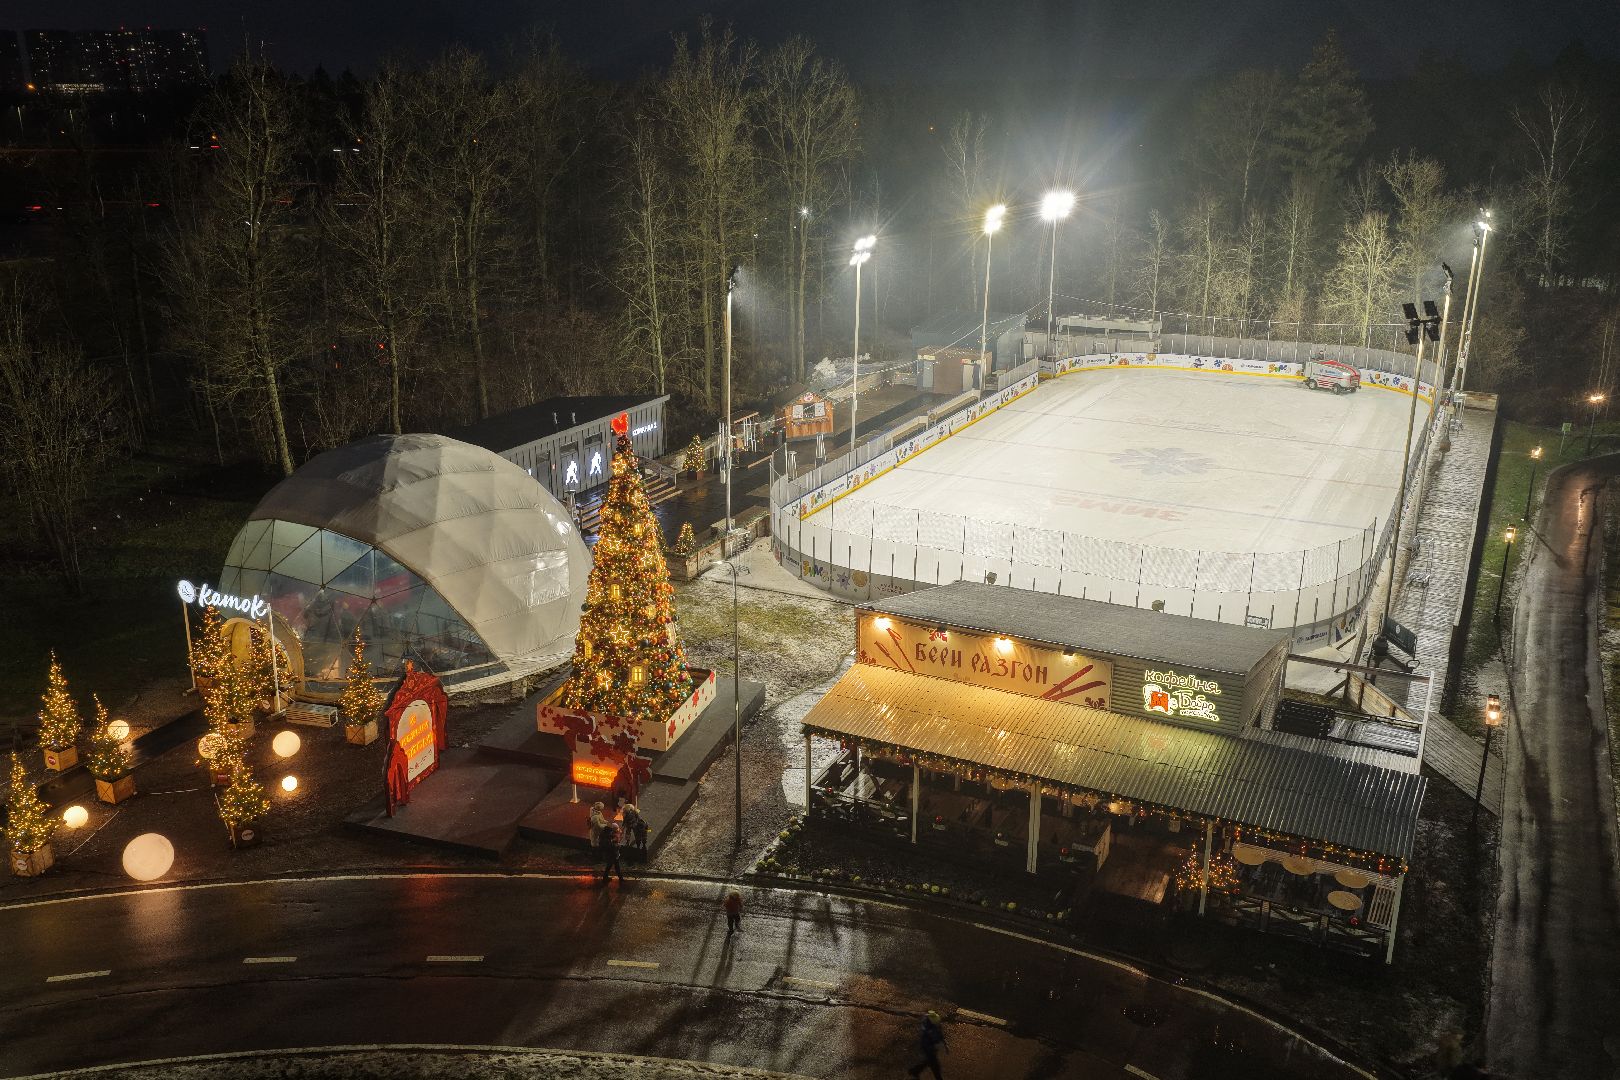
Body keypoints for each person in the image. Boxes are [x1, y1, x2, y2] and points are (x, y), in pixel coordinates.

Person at [907, 1010, 947, 1079]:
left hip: (929, 1048)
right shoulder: (931, 1031)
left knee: (928, 1062)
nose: (938, 1023)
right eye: (937, 1022)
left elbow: (939, 1034)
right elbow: (937, 1037)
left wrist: (944, 1043)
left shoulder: (930, 1025)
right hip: (929, 1049)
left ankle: (915, 1071)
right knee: (935, 1066)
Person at [600, 819, 625, 885]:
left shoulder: (606, 836)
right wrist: (618, 846)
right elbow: (611, 847)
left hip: (612, 855)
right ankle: (620, 879)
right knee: (614, 866)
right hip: (611, 855)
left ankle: (607, 878)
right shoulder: (607, 839)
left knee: (612, 866)